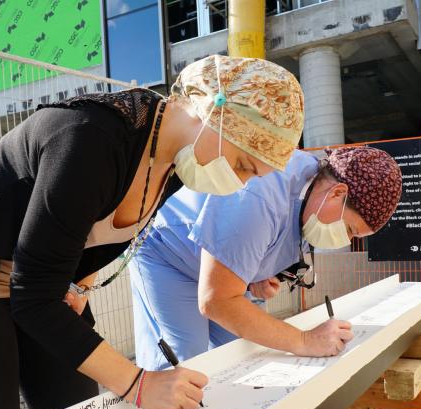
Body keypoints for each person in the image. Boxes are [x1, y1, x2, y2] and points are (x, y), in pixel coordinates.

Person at [0, 55, 305, 409]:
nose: (238, 182)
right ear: (213, 111)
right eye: (243, 165)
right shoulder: (89, 139)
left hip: (37, 280)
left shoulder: (173, 163)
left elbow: (84, 237)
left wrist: (81, 287)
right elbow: (34, 298)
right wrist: (139, 383)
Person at [129, 146, 403, 369]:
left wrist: (255, 276)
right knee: (185, 358)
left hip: (211, 268)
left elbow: (266, 243)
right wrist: (305, 340)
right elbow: (216, 300)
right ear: (338, 193)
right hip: (166, 253)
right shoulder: (260, 197)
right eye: (350, 229)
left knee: (243, 353)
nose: (345, 239)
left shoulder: (314, 195)